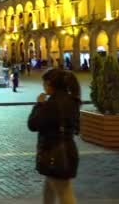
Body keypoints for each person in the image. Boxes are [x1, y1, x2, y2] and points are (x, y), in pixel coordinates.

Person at [28, 68, 81, 204]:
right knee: (50, 189)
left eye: (45, 83)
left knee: (64, 193)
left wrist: (39, 104)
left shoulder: (51, 104)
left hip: (55, 154)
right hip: (67, 151)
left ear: (50, 84)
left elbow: (33, 124)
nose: (43, 86)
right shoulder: (72, 100)